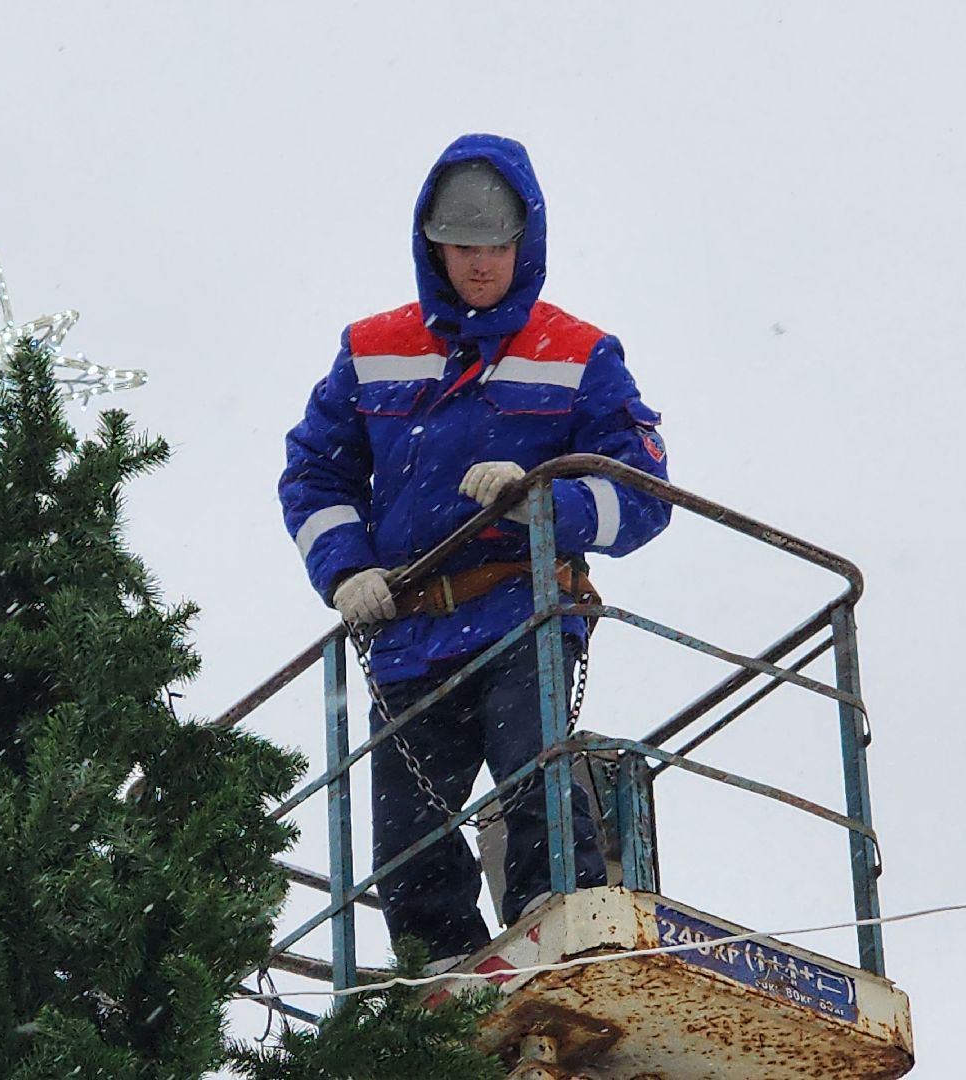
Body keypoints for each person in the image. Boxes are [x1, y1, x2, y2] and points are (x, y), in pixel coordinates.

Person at [278, 133, 672, 970]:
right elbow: (314, 473)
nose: (481, 263)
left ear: (525, 241)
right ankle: (438, 980)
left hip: (523, 608)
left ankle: (554, 927)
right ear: (434, 247)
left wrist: (544, 503)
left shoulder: (579, 354)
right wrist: (345, 570)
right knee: (406, 835)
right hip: (407, 629)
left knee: (536, 779)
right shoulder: (371, 350)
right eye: (463, 247)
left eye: (496, 245)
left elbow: (642, 493)